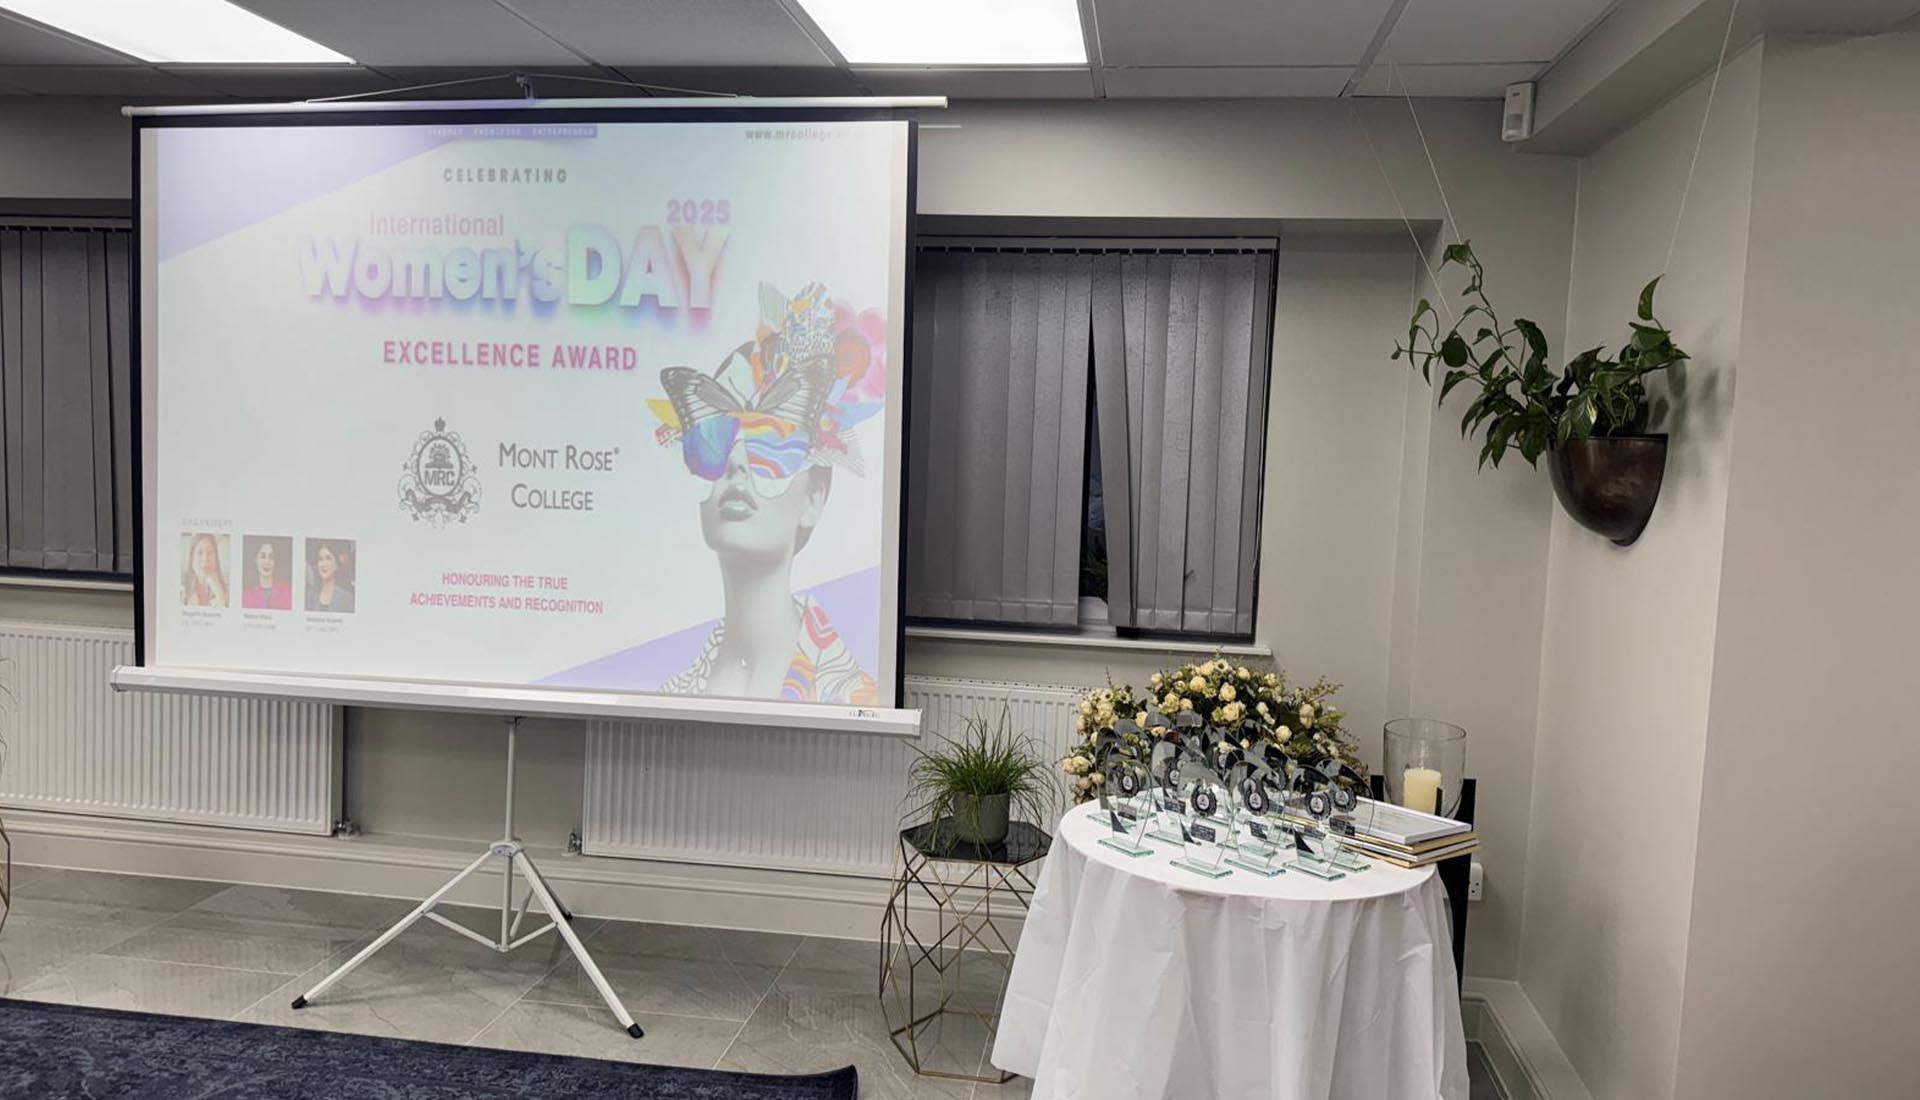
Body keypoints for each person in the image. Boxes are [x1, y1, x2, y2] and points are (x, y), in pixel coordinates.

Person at [652, 281, 885, 704]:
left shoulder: (851, 694)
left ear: (814, 498)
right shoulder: (671, 693)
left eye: (771, 443)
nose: (737, 464)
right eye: (715, 439)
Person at [180, 532, 229, 608]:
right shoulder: (182, 589)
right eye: (200, 553)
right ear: (192, 560)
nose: (205, 558)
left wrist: (219, 593)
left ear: (215, 559)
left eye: (210, 552)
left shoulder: (227, 590)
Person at [242, 538, 293, 611]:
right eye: (262, 557)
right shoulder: (245, 595)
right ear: (255, 560)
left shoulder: (289, 590)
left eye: (271, 557)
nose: (267, 562)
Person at [306, 540, 355, 613]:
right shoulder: (309, 596)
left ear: (337, 564)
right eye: (320, 559)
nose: (323, 564)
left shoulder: (347, 598)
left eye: (328, 558)